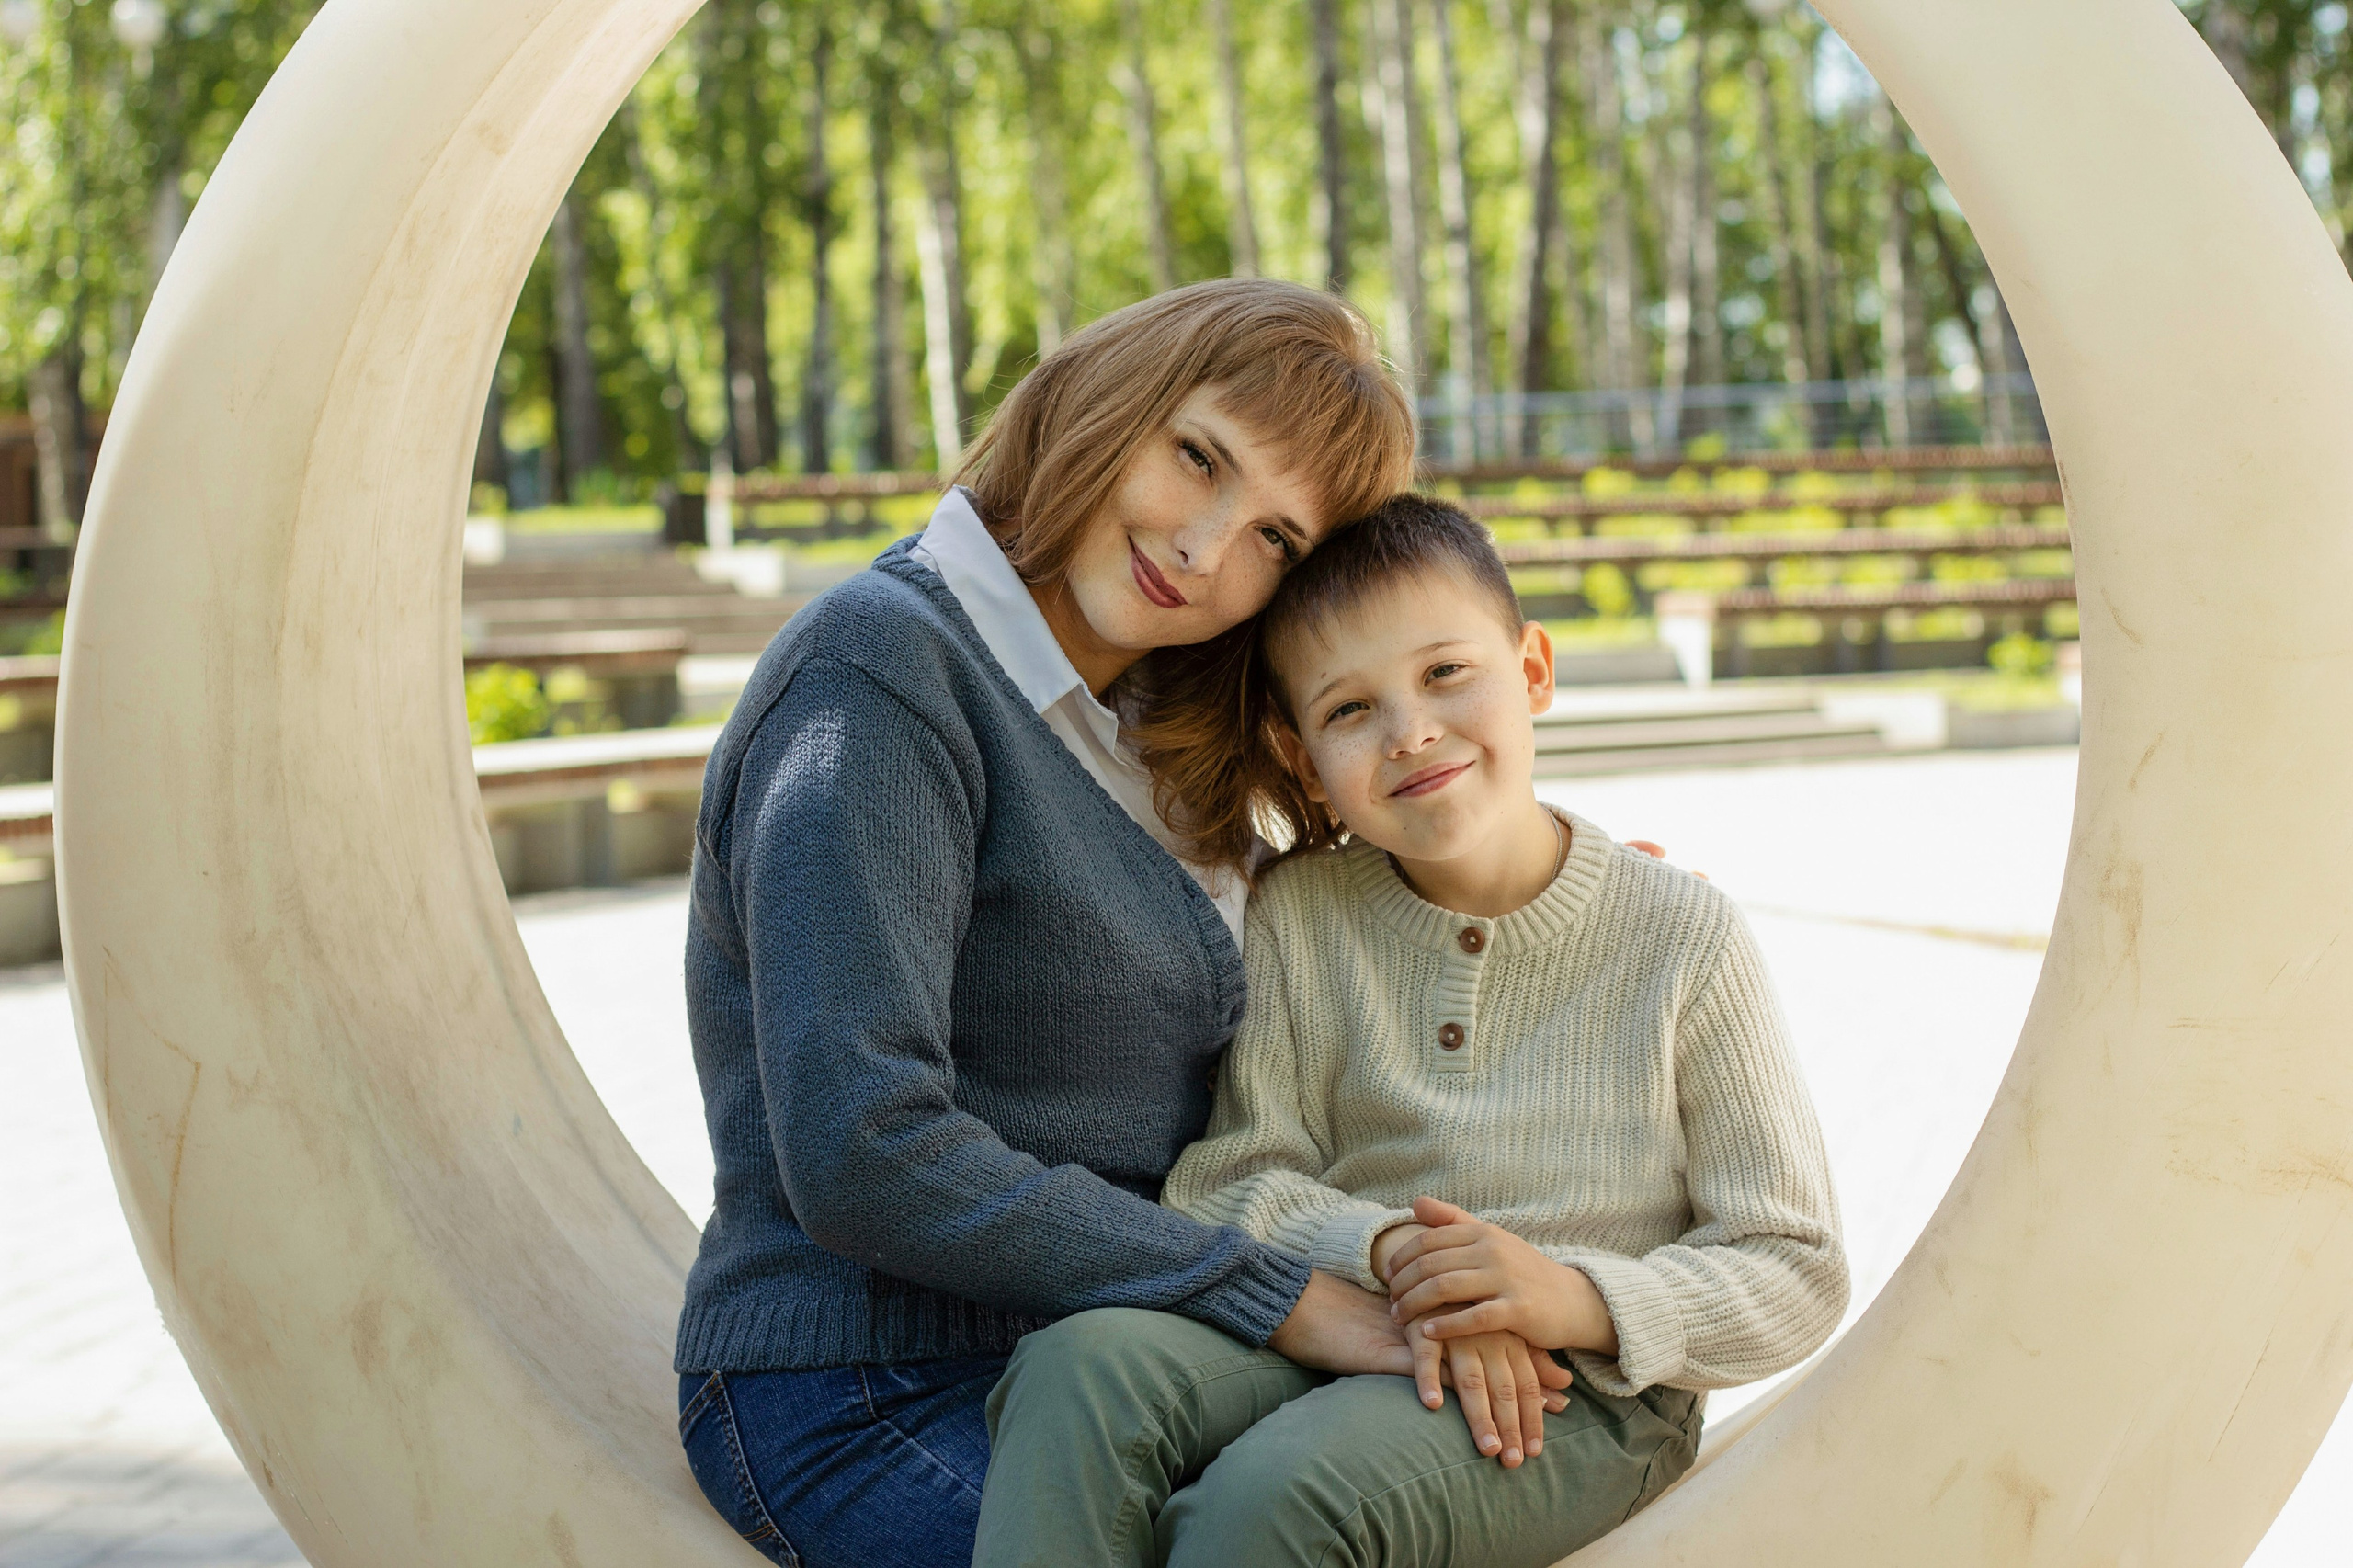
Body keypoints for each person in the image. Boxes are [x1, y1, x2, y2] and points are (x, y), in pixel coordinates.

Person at [671, 278, 1429, 1568]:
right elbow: (864, 1144)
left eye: (1275, 541)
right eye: (1198, 457)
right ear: (1111, 394)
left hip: (1108, 1369)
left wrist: (1529, 891)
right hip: (866, 1387)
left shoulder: (1149, 737)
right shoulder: (886, 669)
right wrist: (1274, 1296)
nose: (1202, 550)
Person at [973, 495, 1849, 1568]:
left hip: (1580, 1390)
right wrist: (1391, 1254)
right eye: (1350, 709)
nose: (1411, 730)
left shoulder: (1684, 934)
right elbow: (1229, 1178)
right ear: (1302, 760)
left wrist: (1566, 1295)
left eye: (1445, 674)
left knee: (1273, 1502)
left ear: (1531, 671)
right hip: (1352, 1325)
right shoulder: (1301, 913)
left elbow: (1793, 1263)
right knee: (1077, 1370)